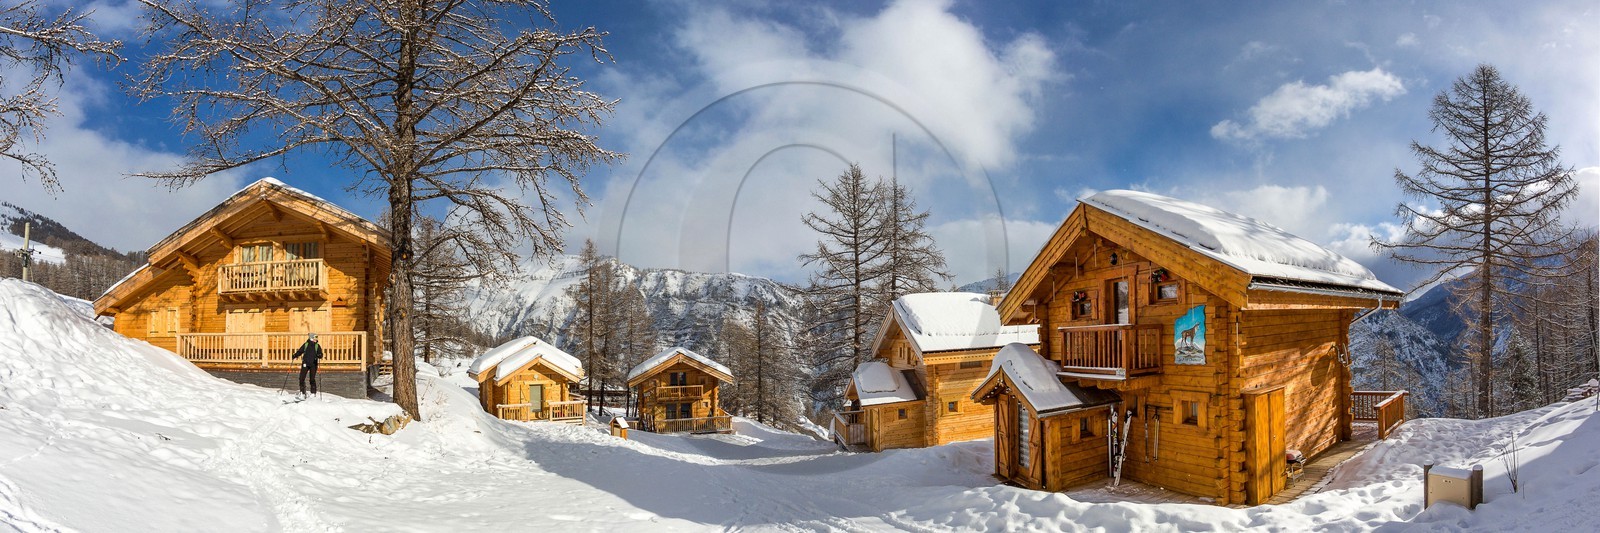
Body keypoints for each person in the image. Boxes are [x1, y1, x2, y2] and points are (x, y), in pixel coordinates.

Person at [292, 332, 323, 399]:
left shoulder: (317, 346)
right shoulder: (306, 345)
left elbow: (320, 354)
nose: (316, 339)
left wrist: (319, 355)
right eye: (315, 338)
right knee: (301, 378)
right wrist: (295, 355)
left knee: (312, 379)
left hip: (313, 364)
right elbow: (300, 351)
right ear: (311, 338)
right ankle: (302, 392)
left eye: (316, 338)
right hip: (305, 363)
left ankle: (313, 393)